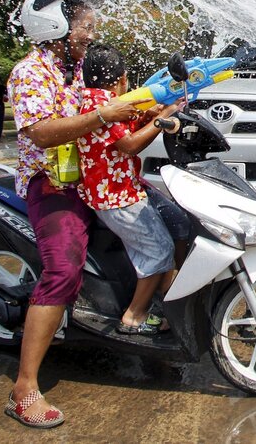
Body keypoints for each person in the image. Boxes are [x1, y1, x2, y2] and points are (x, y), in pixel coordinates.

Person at [5, 0, 144, 429]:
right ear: (54, 27)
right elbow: (41, 132)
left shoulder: (79, 69)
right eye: (83, 24)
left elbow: (115, 100)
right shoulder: (30, 73)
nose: (91, 33)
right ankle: (24, 388)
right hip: (51, 185)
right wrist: (103, 114)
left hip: (91, 180)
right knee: (63, 269)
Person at [77, 43, 182, 336]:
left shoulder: (97, 98)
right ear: (122, 77)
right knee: (161, 250)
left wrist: (149, 116)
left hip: (122, 189)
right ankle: (134, 316)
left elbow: (124, 130)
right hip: (116, 197)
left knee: (173, 232)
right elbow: (128, 145)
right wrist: (163, 120)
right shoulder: (103, 104)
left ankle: (171, 301)